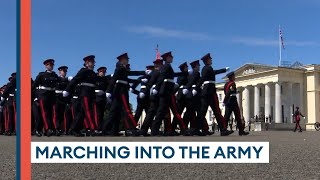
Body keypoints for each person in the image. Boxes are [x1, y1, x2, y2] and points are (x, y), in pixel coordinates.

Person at [151, 51, 189, 136]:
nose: (172, 58)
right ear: (167, 58)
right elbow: (162, 77)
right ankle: (156, 130)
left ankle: (168, 130)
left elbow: (172, 75)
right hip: (167, 91)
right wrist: (157, 87)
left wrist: (184, 73)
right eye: (170, 57)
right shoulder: (166, 66)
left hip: (167, 91)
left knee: (165, 111)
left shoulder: (167, 66)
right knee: (169, 111)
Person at [195, 53, 232, 136]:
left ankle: (197, 129)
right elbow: (203, 78)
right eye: (210, 59)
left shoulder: (207, 68)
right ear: (207, 60)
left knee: (203, 112)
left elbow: (214, 72)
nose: (211, 60)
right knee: (216, 112)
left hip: (206, 92)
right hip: (210, 92)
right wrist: (196, 88)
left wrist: (224, 70)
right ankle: (223, 130)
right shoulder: (207, 68)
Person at [63, 55, 98, 136]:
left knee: (81, 113)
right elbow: (75, 80)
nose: (94, 63)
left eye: (93, 62)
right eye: (92, 62)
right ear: (87, 63)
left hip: (91, 94)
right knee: (88, 111)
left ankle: (74, 129)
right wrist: (67, 90)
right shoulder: (83, 71)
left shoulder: (93, 73)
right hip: (84, 94)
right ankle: (92, 129)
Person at [32, 59, 59, 137]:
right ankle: (48, 129)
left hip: (52, 96)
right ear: (46, 66)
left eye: (52, 65)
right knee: (45, 113)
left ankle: (43, 129)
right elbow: (34, 86)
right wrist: (36, 97)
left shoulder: (54, 75)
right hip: (43, 95)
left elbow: (58, 83)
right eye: (49, 65)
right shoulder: (41, 75)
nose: (51, 66)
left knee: (51, 113)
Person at [223, 71, 249, 136]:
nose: (235, 77)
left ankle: (223, 130)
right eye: (234, 76)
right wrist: (224, 101)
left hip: (228, 102)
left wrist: (235, 91)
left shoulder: (226, 84)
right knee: (238, 116)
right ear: (232, 77)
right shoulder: (232, 83)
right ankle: (241, 131)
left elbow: (226, 92)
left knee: (226, 116)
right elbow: (229, 92)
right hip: (232, 102)